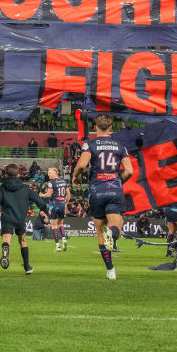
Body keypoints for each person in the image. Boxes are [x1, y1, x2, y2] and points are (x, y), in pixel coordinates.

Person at [72, 114, 132, 280]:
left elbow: (82, 165)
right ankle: (113, 233)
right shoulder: (120, 146)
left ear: (95, 128)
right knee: (115, 229)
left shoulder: (89, 144)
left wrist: (75, 176)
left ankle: (110, 269)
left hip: (97, 191)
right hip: (115, 190)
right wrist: (118, 180)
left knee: (100, 232)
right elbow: (130, 171)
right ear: (111, 128)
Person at [0, 164, 48, 274]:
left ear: (5, 174)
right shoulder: (25, 188)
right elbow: (38, 200)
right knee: (23, 241)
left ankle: (5, 250)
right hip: (20, 218)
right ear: (18, 174)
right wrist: (44, 209)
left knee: (6, 239)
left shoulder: (3, 187)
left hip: (7, 217)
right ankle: (27, 267)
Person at [40, 167, 71, 251]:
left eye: (50, 172)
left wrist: (41, 195)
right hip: (61, 205)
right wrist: (65, 204)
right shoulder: (63, 181)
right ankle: (64, 239)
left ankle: (58, 245)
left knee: (54, 225)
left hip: (54, 205)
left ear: (55, 173)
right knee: (61, 224)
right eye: (48, 172)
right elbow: (68, 194)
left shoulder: (51, 182)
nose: (48, 174)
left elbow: (49, 195)